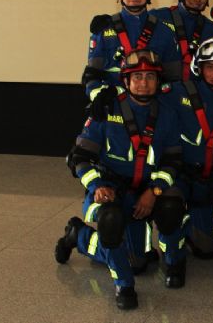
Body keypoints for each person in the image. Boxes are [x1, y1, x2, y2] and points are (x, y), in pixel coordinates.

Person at [56, 50, 185, 309]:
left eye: (150, 77)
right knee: (112, 224)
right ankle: (119, 280)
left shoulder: (168, 115)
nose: (144, 82)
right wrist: (97, 186)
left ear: (159, 81)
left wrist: (155, 191)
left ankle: (173, 264)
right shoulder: (106, 108)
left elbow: (172, 162)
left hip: (145, 192)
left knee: (169, 212)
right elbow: (79, 158)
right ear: (125, 80)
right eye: (137, 77)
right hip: (111, 191)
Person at [162, 36, 213, 260]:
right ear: (199, 68)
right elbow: (145, 103)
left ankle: (190, 226)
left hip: (209, 181)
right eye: (211, 67)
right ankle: (172, 241)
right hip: (179, 175)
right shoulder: (177, 92)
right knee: (169, 210)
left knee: (206, 250)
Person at [83, 0, 181, 103]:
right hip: (112, 106)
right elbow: (92, 76)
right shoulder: (102, 30)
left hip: (153, 111)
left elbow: (174, 81)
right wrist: (99, 98)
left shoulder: (165, 32)